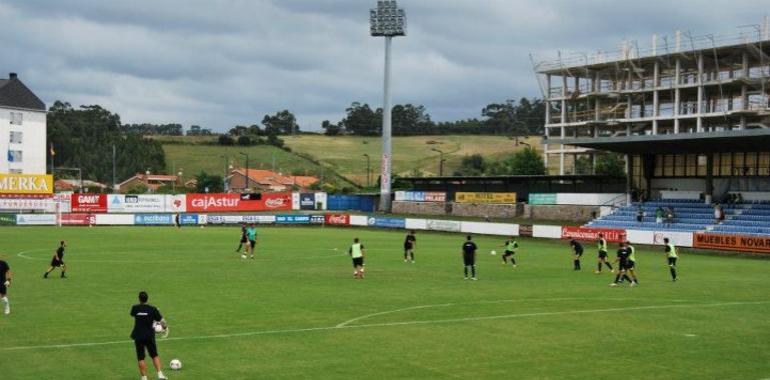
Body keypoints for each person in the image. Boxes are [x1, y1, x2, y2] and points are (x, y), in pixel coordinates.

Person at [130, 291, 167, 380]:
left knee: (141, 358)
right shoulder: (153, 309)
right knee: (154, 355)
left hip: (138, 335)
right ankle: (160, 375)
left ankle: (144, 378)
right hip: (149, 335)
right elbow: (162, 321)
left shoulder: (135, 308)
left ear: (139, 299)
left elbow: (133, 314)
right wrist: (164, 327)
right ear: (147, 298)